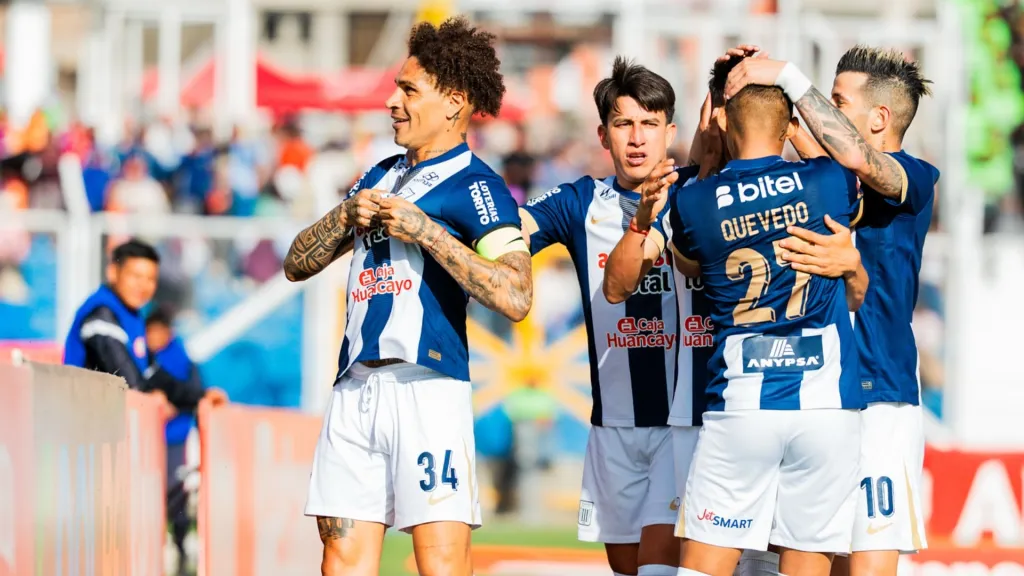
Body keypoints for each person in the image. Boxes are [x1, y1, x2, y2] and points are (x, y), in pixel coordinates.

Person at [285, 16, 532, 576]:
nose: (392, 102)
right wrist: (346, 213)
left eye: (408, 90)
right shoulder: (378, 173)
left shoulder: (479, 186)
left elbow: (517, 294)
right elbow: (296, 264)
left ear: (453, 102)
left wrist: (427, 232)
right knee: (340, 557)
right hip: (354, 389)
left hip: (427, 389)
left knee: (440, 565)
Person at [724, 46, 939, 576]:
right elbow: (780, 142)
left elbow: (859, 158)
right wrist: (739, 87)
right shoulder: (818, 183)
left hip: (880, 399)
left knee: (864, 567)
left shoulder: (913, 177)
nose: (820, 106)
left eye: (836, 100)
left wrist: (788, 76)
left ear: (879, 118)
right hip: (812, 395)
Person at [649, 55, 866, 576]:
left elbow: (691, 239)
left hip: (742, 401)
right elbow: (851, 155)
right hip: (827, 404)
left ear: (723, 118)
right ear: (791, 123)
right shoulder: (829, 181)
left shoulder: (695, 201)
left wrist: (711, 135)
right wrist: (795, 110)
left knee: (701, 567)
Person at [520, 56, 698, 576]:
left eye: (649, 124)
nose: (637, 139)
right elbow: (503, 232)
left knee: (659, 569)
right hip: (611, 428)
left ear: (671, 131)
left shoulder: (696, 193)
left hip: (681, 424)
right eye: (623, 124)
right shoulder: (579, 201)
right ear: (603, 135)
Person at [146, 308, 228, 576]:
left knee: (175, 494)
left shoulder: (182, 360)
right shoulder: (144, 356)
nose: (154, 337)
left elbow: (191, 394)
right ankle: (156, 544)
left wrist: (175, 407)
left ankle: (179, 545)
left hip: (174, 439)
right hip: (147, 438)